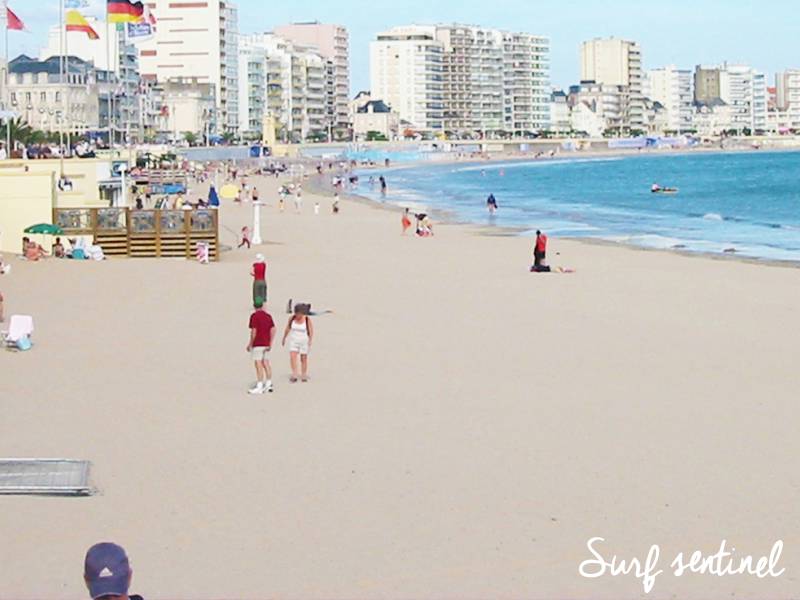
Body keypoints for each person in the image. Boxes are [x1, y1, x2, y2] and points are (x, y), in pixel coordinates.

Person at [247, 298, 276, 394]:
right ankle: (268, 383)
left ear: (254, 306)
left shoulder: (254, 316)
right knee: (266, 363)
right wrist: (270, 342)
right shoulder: (268, 316)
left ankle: (260, 385)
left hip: (258, 343)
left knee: (258, 363)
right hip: (266, 343)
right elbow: (273, 329)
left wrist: (250, 343)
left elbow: (254, 331)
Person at [282, 304, 314, 383]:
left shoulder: (307, 319)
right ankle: (294, 374)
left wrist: (310, 340)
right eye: (297, 313)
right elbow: (287, 328)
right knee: (293, 357)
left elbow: (310, 330)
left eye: (300, 313)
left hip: (304, 341)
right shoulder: (292, 319)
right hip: (294, 340)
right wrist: (284, 337)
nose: (298, 315)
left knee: (303, 358)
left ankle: (303, 374)